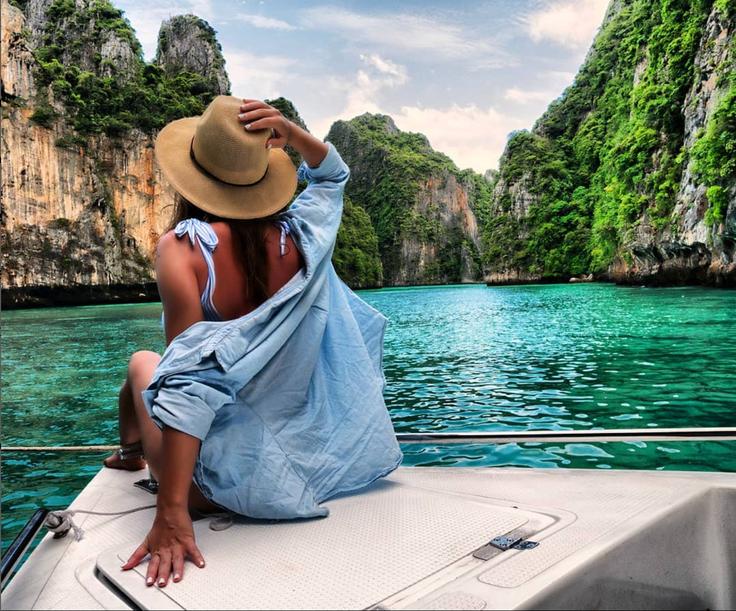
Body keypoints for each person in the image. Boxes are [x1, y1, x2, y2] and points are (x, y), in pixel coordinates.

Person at [103, 96, 402, 588]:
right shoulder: (304, 236)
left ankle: (130, 453)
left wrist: (171, 512)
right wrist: (293, 131)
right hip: (306, 468)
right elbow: (333, 176)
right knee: (156, 368)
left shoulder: (185, 249)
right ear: (263, 175)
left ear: (193, 174)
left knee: (143, 363)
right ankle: (132, 453)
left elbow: (187, 382)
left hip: (216, 486)